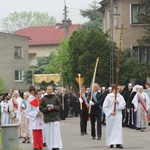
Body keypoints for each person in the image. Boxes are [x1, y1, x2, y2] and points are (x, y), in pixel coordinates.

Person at [103, 84, 126, 149]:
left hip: (118, 114)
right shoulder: (108, 97)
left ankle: (118, 143)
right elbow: (105, 107)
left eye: (119, 89)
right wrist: (110, 112)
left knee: (118, 129)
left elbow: (123, 105)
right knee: (111, 129)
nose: (119, 90)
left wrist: (118, 102)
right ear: (113, 89)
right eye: (117, 89)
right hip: (110, 116)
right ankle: (111, 142)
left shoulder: (120, 97)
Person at [40, 85, 62, 150]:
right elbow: (41, 108)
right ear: (46, 90)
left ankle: (56, 146)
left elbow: (60, 106)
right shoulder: (43, 99)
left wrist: (54, 107)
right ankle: (50, 147)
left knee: (56, 133)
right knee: (49, 134)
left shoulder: (56, 97)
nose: (50, 91)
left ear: (52, 90)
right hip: (47, 119)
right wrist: (47, 109)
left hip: (55, 118)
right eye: (48, 89)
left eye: (51, 89)